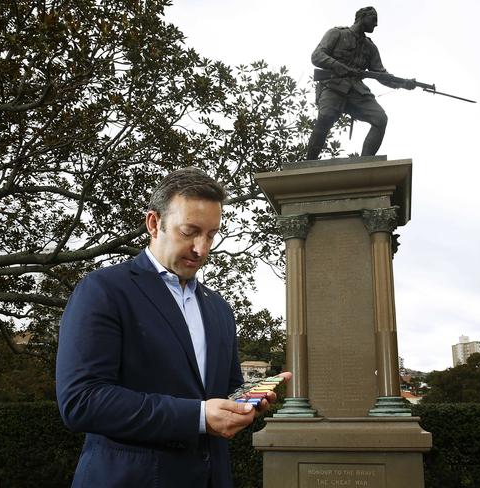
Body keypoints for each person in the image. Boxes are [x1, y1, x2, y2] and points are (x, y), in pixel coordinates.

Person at [56, 167, 290, 488]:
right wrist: (198, 416)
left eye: (210, 234)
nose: (202, 249)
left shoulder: (219, 308)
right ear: (154, 223)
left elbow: (221, 393)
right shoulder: (103, 290)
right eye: (189, 231)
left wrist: (244, 403)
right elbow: (81, 401)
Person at [306, 6, 415, 160]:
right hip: (333, 86)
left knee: (380, 119)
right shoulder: (337, 33)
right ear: (362, 17)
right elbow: (317, 56)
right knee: (326, 116)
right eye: (373, 19)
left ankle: (365, 163)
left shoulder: (370, 47)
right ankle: (309, 162)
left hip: (357, 90)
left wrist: (403, 83)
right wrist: (338, 66)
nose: (376, 24)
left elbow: (380, 74)